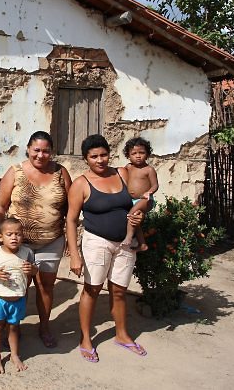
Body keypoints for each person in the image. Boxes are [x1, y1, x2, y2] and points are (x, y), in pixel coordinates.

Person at [66, 134, 146, 364]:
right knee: (92, 289)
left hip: (125, 243)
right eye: (94, 156)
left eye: (103, 155)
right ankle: (85, 339)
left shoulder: (122, 174)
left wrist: (140, 213)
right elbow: (71, 220)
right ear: (85, 159)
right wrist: (74, 255)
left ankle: (122, 334)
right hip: (96, 243)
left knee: (119, 290)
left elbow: (138, 199)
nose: (100, 160)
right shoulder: (81, 184)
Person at [0, 131, 72, 348]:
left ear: (51, 152)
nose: (40, 155)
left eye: (46, 151)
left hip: (51, 240)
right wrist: (0, 238)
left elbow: (71, 208)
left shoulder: (60, 172)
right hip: (19, 243)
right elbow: (0, 205)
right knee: (18, 285)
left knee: (46, 286)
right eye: (36, 150)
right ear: (28, 149)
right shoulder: (15, 172)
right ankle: (12, 329)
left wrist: (69, 240)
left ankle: (44, 326)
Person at [0, 217, 37, 374]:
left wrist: (32, 270)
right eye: (9, 234)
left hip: (18, 298)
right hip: (0, 299)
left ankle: (14, 354)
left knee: (14, 327)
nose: (14, 237)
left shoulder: (27, 252)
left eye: (18, 234)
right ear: (1, 237)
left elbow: (35, 270)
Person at [121, 137, 158, 251]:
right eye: (134, 153)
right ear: (128, 155)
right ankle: (142, 244)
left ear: (147, 154)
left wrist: (149, 192)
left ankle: (128, 237)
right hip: (132, 200)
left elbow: (155, 185)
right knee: (136, 221)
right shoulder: (128, 167)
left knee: (132, 214)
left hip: (145, 200)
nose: (138, 156)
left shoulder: (149, 170)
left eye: (141, 152)